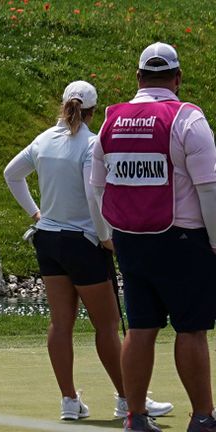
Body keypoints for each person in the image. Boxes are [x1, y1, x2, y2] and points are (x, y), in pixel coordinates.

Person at [4, 81, 173, 421]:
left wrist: (36, 214)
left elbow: (12, 174)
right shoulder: (91, 144)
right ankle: (127, 399)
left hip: (48, 240)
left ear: (64, 104)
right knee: (107, 325)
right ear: (93, 111)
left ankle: (69, 401)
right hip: (82, 242)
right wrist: (105, 237)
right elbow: (93, 195)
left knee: (60, 324)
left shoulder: (43, 140)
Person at [91, 42, 216, 432]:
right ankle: (202, 417)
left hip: (130, 239)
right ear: (177, 79)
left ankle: (136, 416)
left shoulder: (112, 120)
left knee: (142, 327)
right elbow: (210, 188)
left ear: (138, 77)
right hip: (183, 240)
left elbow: (97, 185)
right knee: (191, 328)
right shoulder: (187, 119)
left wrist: (106, 233)